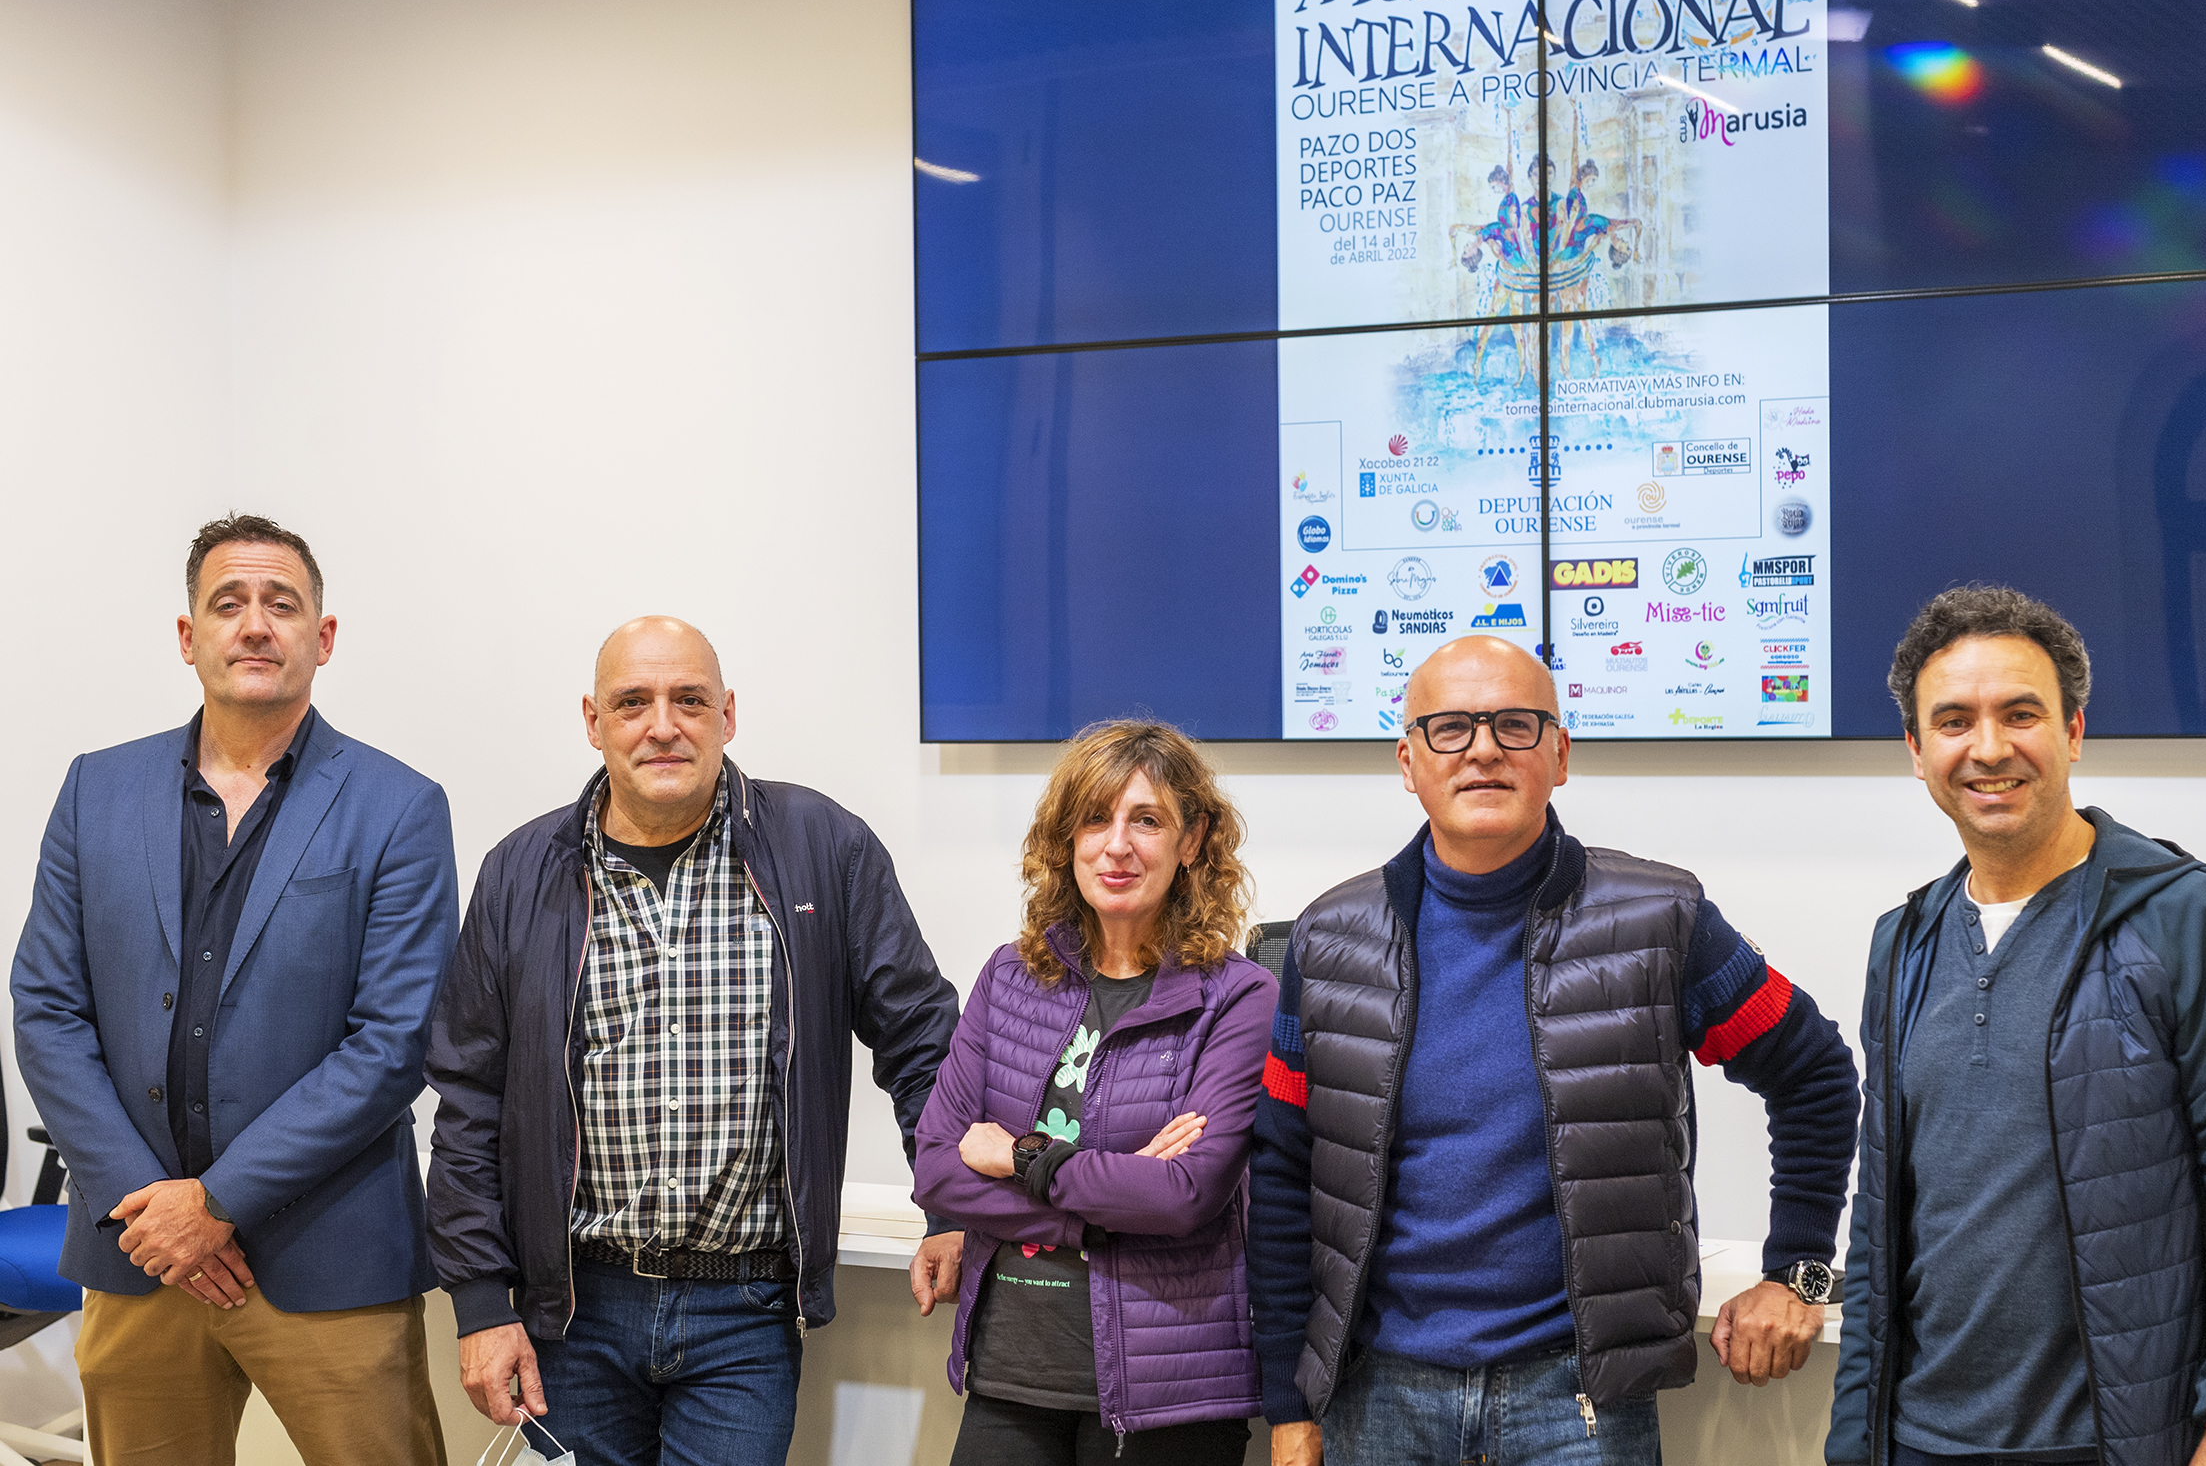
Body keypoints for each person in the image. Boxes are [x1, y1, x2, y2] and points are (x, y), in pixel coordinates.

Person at [1250, 634, 1860, 1466]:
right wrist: (1290, 1403)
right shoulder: (1328, 941)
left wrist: (1800, 1273)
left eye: (1516, 724)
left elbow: (1815, 1074)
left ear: (1560, 753)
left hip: (1577, 1404)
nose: (1485, 750)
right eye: (1451, 728)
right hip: (1379, 1398)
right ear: (1408, 759)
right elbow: (1283, 1172)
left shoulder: (1658, 920)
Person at [426, 615, 963, 1465]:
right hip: (572, 1309)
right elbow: (468, 1100)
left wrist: (952, 1203)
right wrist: (481, 1301)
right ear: (592, 721)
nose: (662, 724)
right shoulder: (521, 872)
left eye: (689, 699)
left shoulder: (823, 847)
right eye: (632, 701)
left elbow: (924, 1043)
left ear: (729, 715)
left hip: (743, 1311)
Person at [12, 513, 459, 1464]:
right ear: (189, 636)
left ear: (322, 637)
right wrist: (150, 1203)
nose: (255, 624)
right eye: (228, 602)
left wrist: (213, 1202)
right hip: (139, 1260)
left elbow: (393, 1042)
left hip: (329, 1257)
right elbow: (48, 1007)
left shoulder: (399, 806)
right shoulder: (97, 789)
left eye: (282, 604)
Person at [1828, 587, 2206, 1466]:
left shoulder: (2187, 917)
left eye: (2021, 714)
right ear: (1915, 749)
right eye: (1953, 721)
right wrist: (1853, 1437)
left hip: (2121, 1443)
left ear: (2074, 732)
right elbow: (1880, 1218)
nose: (1988, 747)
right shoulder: (1902, 943)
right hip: (1922, 1441)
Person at [912, 719, 1277, 1465]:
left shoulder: (1239, 998)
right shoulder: (1010, 977)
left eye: (1147, 819)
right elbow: (940, 1165)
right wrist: (1108, 1204)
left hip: (1170, 1390)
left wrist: (1019, 1155)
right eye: (1095, 817)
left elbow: (1183, 1193)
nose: (1117, 844)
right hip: (1013, 1368)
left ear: (1194, 838)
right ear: (1065, 837)